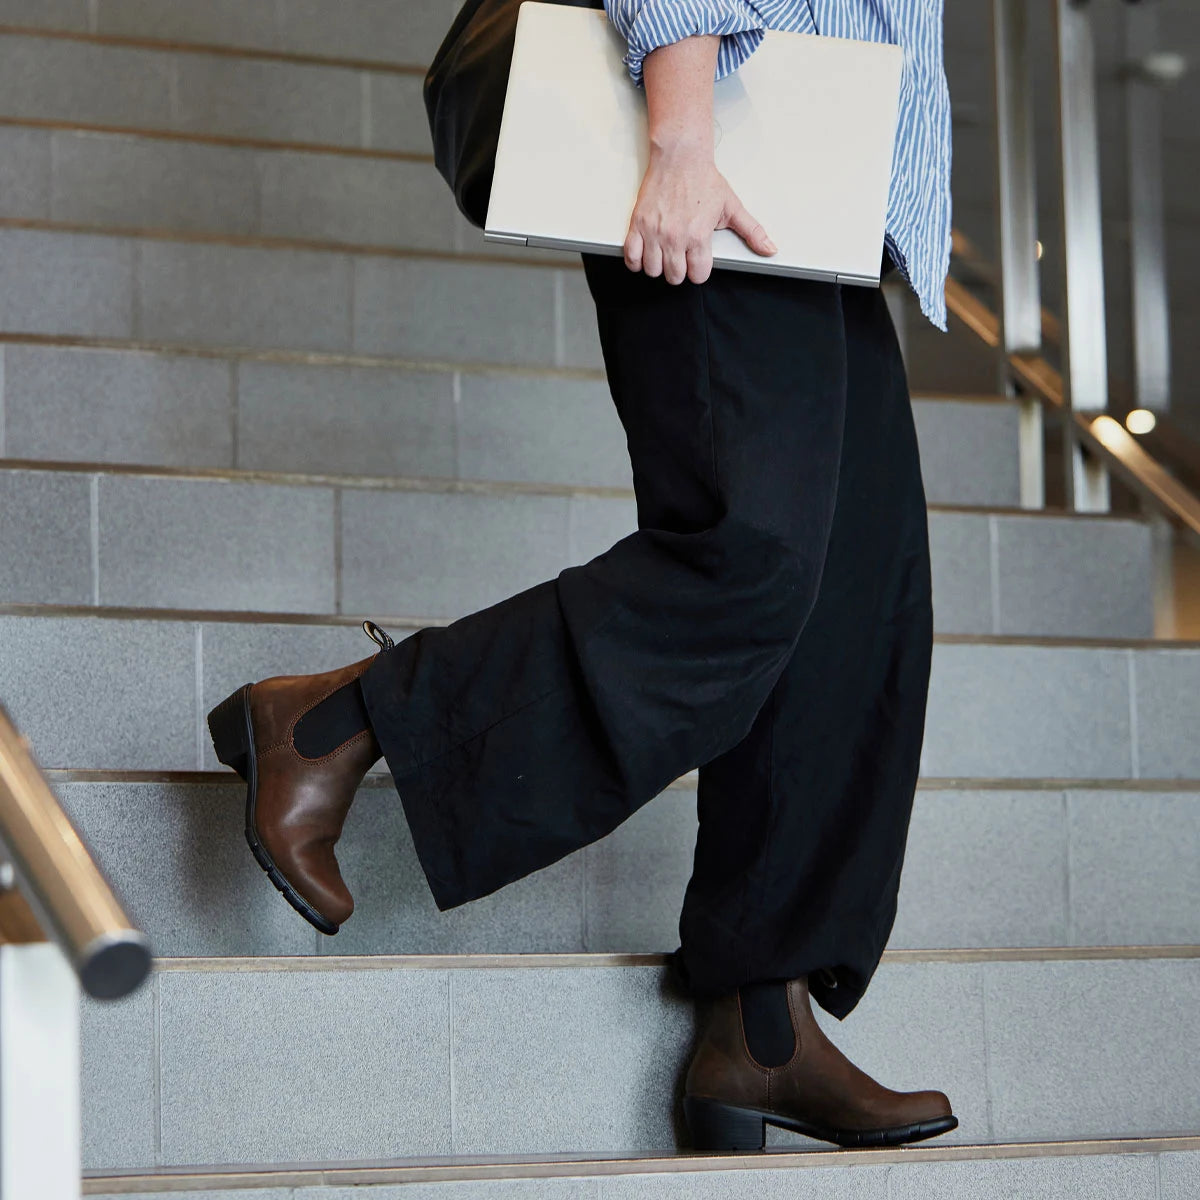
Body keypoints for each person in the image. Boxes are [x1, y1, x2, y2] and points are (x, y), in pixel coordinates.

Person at [207, 0, 958, 1152]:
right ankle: (329, 724)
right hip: (722, 117)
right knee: (747, 560)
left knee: (858, 601)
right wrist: (684, 128)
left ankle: (761, 1025)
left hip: (825, 165)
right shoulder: (695, 125)